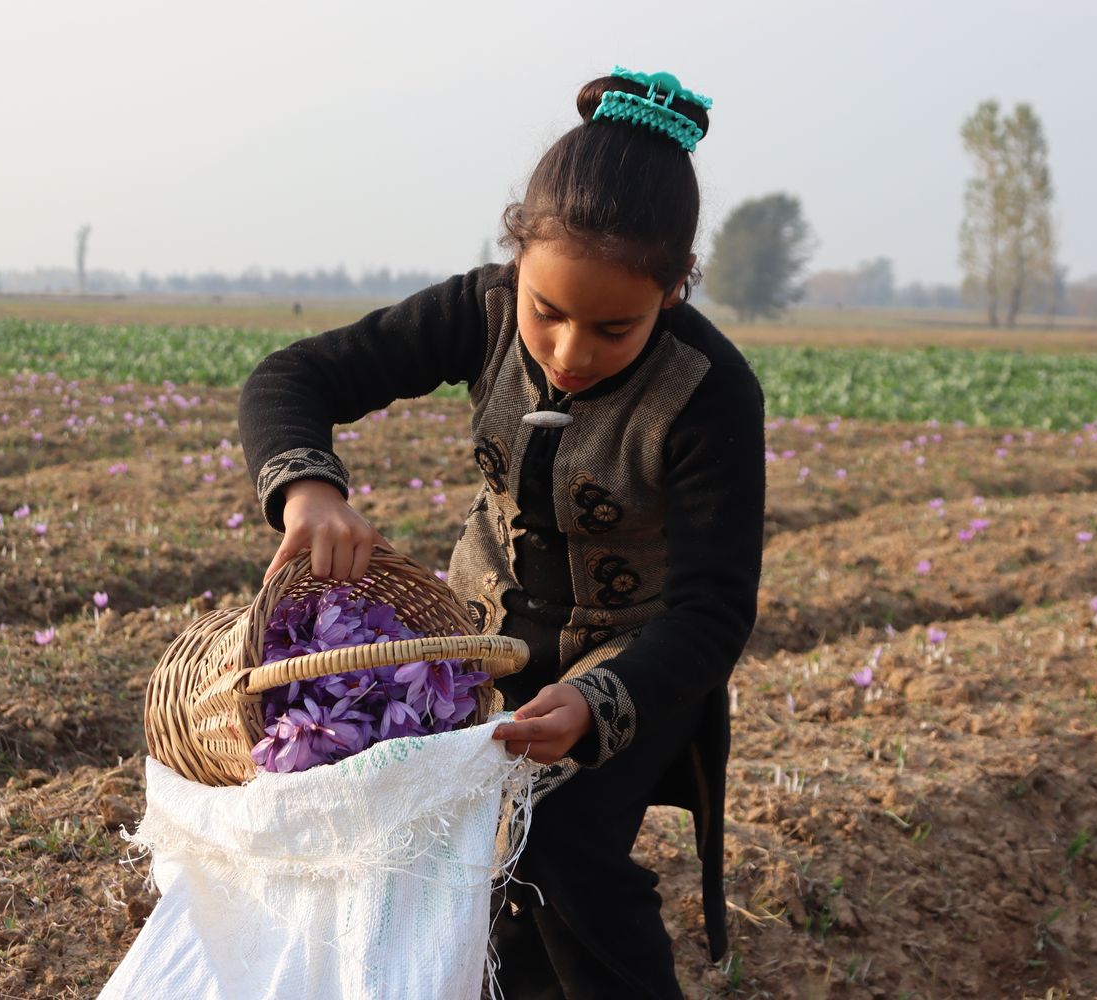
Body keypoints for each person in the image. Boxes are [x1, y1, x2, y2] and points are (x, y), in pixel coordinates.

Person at [238, 66, 764, 999]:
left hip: (637, 659)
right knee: (471, 874)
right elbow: (292, 379)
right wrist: (308, 490)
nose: (567, 353)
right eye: (547, 313)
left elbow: (714, 610)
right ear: (516, 255)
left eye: (614, 329)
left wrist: (598, 699)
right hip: (480, 640)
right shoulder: (479, 312)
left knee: (556, 845)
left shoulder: (706, 391)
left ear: (675, 290)